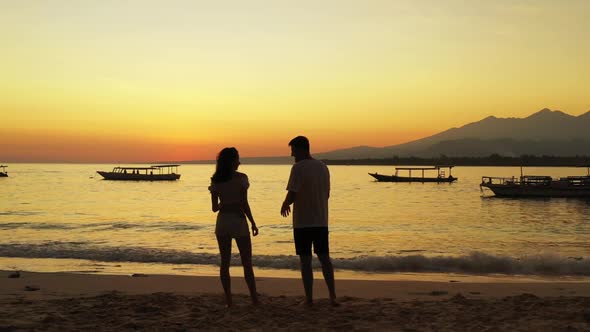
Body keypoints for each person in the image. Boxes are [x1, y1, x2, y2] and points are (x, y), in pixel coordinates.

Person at [280, 136, 338, 306]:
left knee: (305, 261)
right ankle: (332, 296)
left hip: (303, 222)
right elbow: (327, 194)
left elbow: (293, 192)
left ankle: (309, 299)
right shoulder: (323, 167)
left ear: (301, 149)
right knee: (324, 258)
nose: (292, 155)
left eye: (293, 150)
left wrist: (285, 204)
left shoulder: (298, 168)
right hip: (321, 220)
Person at [209, 147, 259, 307]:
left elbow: (214, 208)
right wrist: (252, 222)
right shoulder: (242, 178)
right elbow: (244, 203)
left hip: (223, 221)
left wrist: (225, 201)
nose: (239, 162)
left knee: (225, 262)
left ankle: (229, 300)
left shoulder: (216, 180)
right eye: (237, 159)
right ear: (232, 161)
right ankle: (254, 299)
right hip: (238, 220)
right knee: (246, 262)